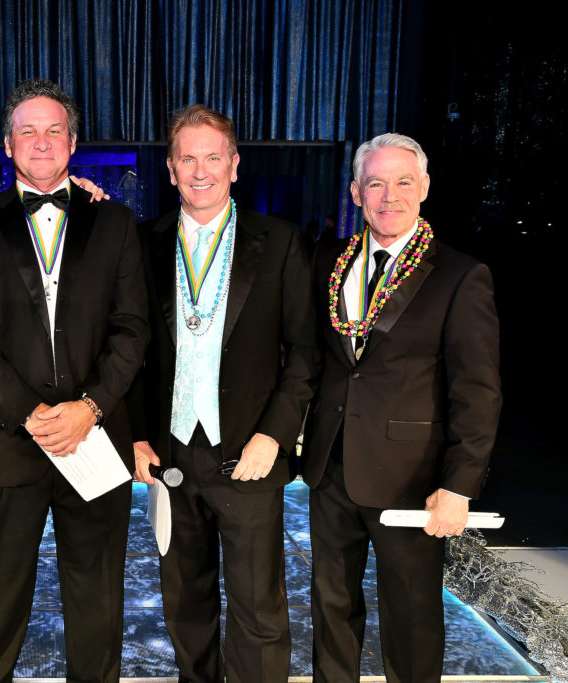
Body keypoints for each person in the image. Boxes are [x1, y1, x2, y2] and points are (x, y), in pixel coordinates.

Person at [0, 78, 150, 683]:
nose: (40, 141)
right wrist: (30, 412)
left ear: (73, 141)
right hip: (9, 441)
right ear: (8, 146)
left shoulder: (113, 223)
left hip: (94, 437)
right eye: (27, 131)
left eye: (53, 129)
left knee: (97, 596)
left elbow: (132, 328)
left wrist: (91, 407)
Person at [301, 133, 502, 681]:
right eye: (375, 183)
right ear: (355, 192)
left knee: (411, 617)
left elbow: (477, 391)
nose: (389, 196)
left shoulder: (461, 275)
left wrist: (459, 485)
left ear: (426, 188)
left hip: (413, 479)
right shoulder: (329, 262)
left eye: (403, 182)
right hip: (330, 470)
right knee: (331, 610)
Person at [131, 105, 319, 682]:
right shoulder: (145, 242)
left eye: (213, 157)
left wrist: (275, 435)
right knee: (184, 604)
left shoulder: (281, 242)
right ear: (170, 169)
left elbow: (307, 353)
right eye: (187, 158)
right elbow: (132, 351)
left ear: (235, 165)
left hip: (249, 454)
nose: (200, 170)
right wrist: (136, 433)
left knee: (258, 607)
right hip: (170, 457)